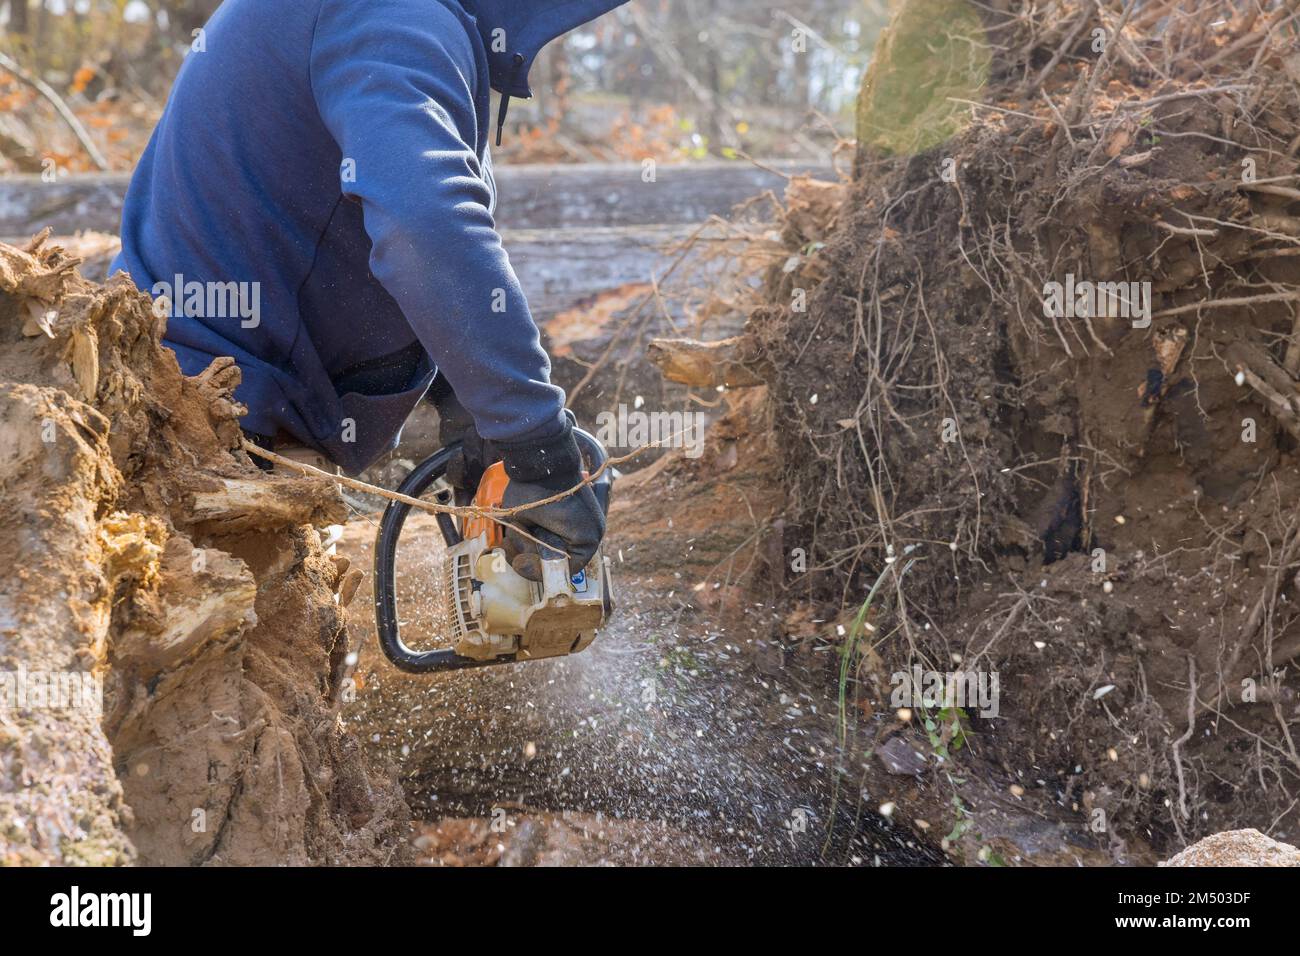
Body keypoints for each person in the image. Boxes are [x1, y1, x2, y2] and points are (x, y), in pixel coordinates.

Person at [111, 0, 631, 579]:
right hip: (202, 423)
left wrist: (465, 393)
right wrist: (534, 438)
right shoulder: (393, 14)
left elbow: (359, 206)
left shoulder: (401, 19)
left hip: (209, 388)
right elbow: (424, 224)